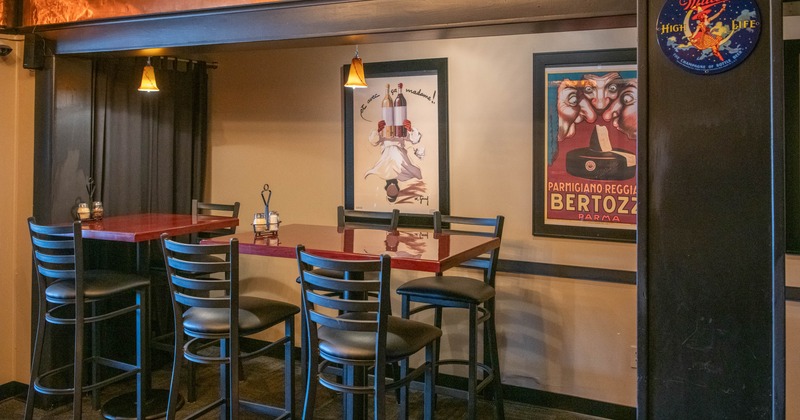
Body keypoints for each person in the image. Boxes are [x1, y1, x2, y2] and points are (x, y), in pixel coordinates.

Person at [365, 119, 424, 202]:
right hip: (390, 154)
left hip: (395, 153)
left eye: (390, 191)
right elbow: (374, 141)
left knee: (394, 160)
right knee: (395, 160)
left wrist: (409, 129)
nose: (392, 188)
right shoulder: (403, 175)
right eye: (393, 191)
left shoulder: (400, 128)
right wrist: (378, 130)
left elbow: (414, 139)